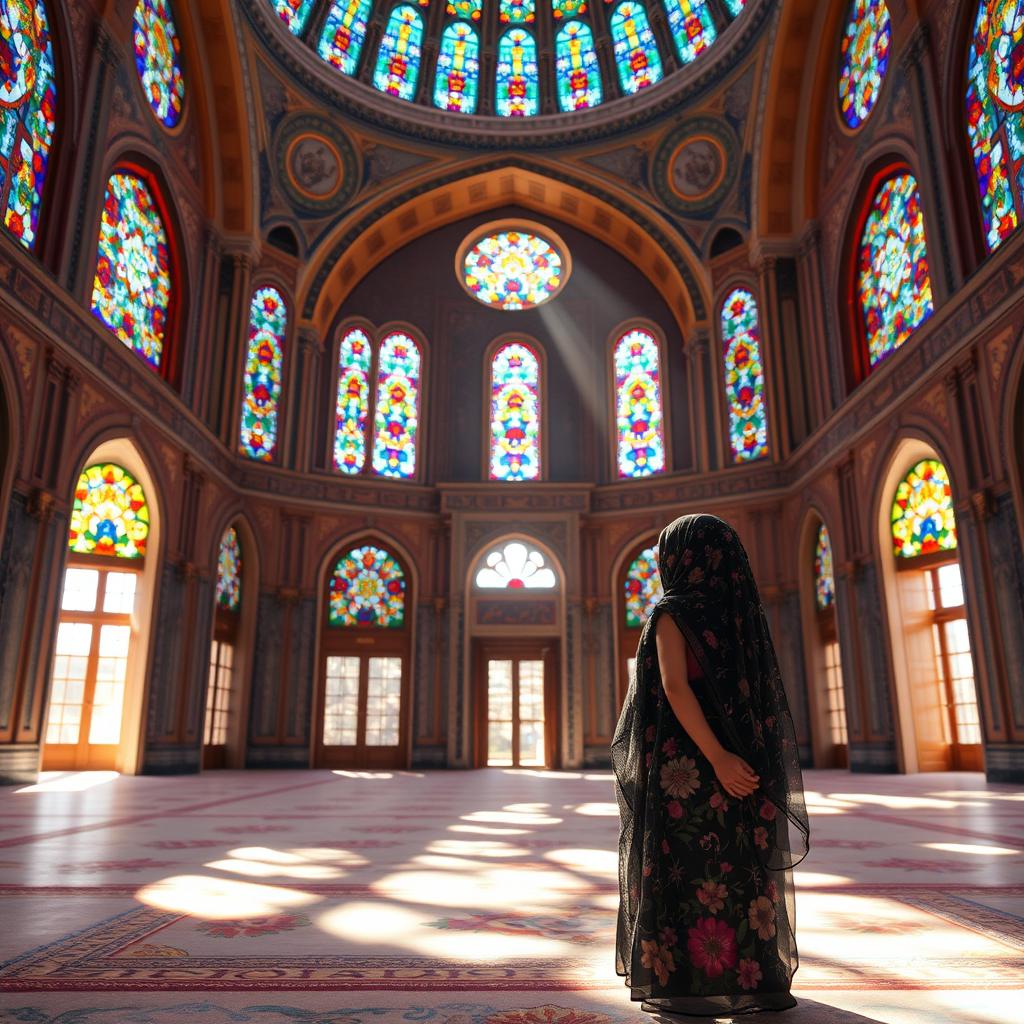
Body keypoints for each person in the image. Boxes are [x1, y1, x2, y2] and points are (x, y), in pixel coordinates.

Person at [612, 514, 809, 1017]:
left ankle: (684, 980)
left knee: (689, 869)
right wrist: (736, 756)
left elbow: (674, 688)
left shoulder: (673, 613)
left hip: (689, 768)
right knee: (739, 866)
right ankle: (756, 973)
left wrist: (716, 758)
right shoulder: (738, 612)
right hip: (746, 762)